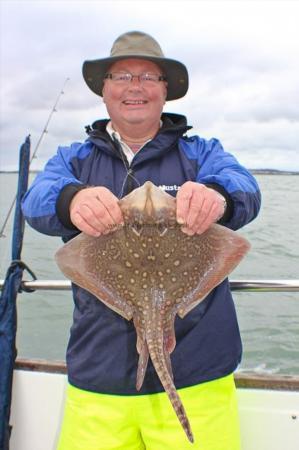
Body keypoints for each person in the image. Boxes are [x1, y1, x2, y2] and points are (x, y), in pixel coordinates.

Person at [22, 31, 261, 450]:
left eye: (149, 77)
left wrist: (217, 197)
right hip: (97, 379)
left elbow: (244, 187)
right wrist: (70, 199)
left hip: (198, 377)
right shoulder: (74, 160)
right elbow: (35, 200)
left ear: (166, 91)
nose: (135, 86)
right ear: (104, 90)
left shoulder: (201, 153)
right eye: (122, 75)